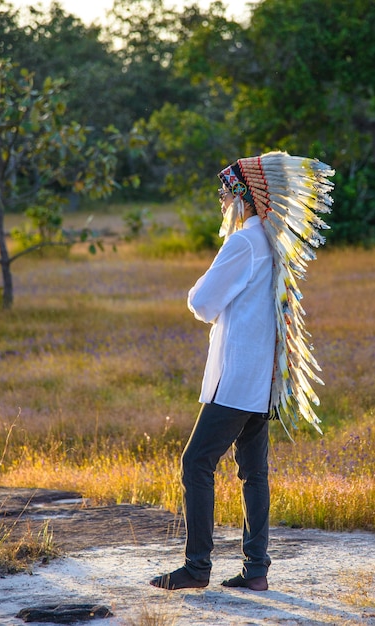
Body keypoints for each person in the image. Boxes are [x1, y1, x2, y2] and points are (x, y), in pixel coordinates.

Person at [150, 151, 335, 592]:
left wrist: (200, 291)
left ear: (244, 197)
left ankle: (197, 567)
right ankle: (256, 571)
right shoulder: (274, 244)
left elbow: (201, 302)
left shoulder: (244, 242)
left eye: (225, 192)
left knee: (196, 462)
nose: (221, 201)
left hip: (235, 380)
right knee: (253, 472)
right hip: (263, 380)